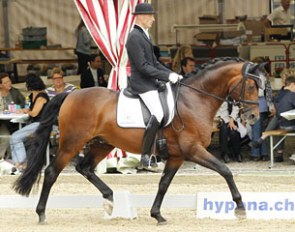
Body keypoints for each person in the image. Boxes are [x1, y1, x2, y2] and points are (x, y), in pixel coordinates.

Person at [125, 3, 182, 169]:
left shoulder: (145, 35)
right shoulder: (134, 37)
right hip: (141, 84)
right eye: (151, 16)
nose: (153, 19)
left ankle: (159, 149)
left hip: (151, 81)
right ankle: (145, 156)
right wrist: (167, 76)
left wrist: (171, 74)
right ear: (141, 17)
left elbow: (154, 63)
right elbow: (143, 66)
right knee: (157, 112)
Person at [10, 73, 49, 170]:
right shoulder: (32, 95)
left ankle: (22, 163)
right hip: (34, 123)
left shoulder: (41, 96)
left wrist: (27, 110)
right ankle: (17, 164)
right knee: (12, 138)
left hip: (41, 124)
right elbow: (30, 109)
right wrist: (25, 110)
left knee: (15, 137)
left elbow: (34, 113)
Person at [250, 57, 273, 161]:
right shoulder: (258, 76)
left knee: (260, 130)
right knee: (258, 130)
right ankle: (261, 153)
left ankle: (259, 154)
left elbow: (268, 93)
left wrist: (270, 106)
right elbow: (268, 93)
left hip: (261, 103)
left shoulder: (261, 76)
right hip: (256, 103)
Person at [0, 72, 25, 159]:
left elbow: (23, 103)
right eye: (5, 82)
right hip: (2, 122)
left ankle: (11, 158)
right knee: (6, 137)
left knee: (13, 137)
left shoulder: (14, 91)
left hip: (15, 121)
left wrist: (19, 108)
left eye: (9, 81)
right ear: (0, 85)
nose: (9, 84)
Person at [215, 99, 243, 163]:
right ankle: (225, 153)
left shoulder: (231, 96)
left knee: (233, 132)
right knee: (224, 130)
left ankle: (237, 153)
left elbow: (236, 108)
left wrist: (231, 119)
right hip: (219, 119)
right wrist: (218, 119)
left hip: (230, 119)